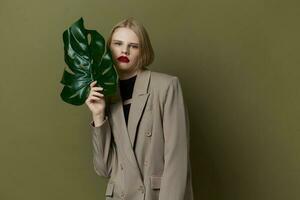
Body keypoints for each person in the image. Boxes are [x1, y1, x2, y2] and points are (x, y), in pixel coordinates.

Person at [85, 17, 194, 200]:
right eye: (118, 43)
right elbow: (104, 169)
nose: (124, 50)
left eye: (133, 46)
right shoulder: (107, 94)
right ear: (108, 49)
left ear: (143, 51)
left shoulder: (165, 86)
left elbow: (177, 159)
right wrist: (98, 116)